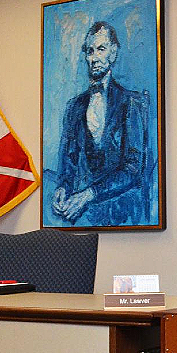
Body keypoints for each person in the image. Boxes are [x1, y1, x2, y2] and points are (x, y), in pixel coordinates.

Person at [48, 21, 149, 226]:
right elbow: (69, 161)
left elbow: (132, 169)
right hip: (84, 215)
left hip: (124, 213)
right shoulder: (74, 106)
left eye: (100, 49)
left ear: (113, 53)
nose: (93, 58)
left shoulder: (132, 103)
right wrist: (63, 188)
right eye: (89, 51)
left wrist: (88, 195)